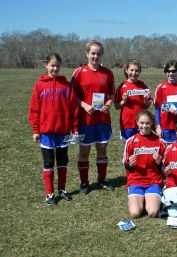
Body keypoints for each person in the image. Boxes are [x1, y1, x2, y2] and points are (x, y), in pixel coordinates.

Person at [28, 53, 76, 205]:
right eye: (52, 65)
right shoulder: (40, 85)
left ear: (61, 66)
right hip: (47, 132)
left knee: (63, 161)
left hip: (63, 132)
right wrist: (36, 130)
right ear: (46, 65)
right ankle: (49, 193)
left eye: (57, 66)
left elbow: (74, 109)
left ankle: (62, 189)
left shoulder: (67, 85)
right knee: (48, 163)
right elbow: (34, 110)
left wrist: (74, 129)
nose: (55, 68)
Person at [71, 40, 115, 194]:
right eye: (93, 53)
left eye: (98, 53)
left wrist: (108, 104)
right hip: (86, 120)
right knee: (84, 151)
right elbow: (72, 95)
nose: (95, 56)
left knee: (102, 150)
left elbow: (112, 94)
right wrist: (84, 105)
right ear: (87, 54)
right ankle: (84, 183)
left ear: (102, 55)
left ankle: (102, 180)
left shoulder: (108, 72)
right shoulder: (79, 72)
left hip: (103, 120)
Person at [123, 110, 166, 218]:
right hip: (136, 181)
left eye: (147, 123)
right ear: (137, 122)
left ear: (152, 124)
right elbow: (126, 165)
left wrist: (159, 162)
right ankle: (140, 199)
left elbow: (165, 169)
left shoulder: (160, 142)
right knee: (135, 213)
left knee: (152, 212)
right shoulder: (130, 141)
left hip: (153, 181)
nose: (144, 126)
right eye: (142, 123)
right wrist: (130, 164)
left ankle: (148, 199)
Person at [115, 59, 152, 141]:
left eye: (137, 71)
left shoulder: (143, 85)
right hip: (127, 123)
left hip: (142, 123)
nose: (134, 73)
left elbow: (147, 106)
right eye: (131, 70)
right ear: (126, 70)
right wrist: (123, 102)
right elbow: (116, 106)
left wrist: (146, 100)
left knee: (142, 146)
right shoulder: (121, 86)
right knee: (129, 149)